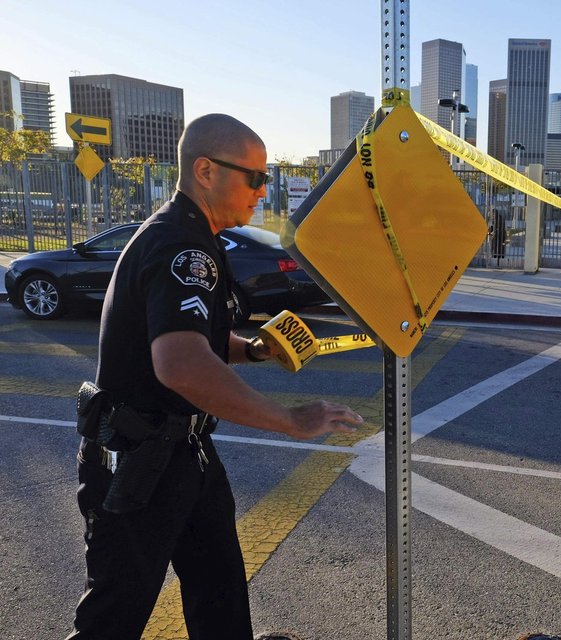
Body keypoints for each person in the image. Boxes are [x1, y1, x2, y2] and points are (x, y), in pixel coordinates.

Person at [66, 114, 363, 640]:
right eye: (254, 176)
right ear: (205, 170)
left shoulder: (194, 237)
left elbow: (190, 330)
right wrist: (292, 421)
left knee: (219, 589)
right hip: (140, 462)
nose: (263, 188)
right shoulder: (182, 246)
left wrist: (252, 350)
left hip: (184, 453)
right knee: (114, 616)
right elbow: (180, 363)